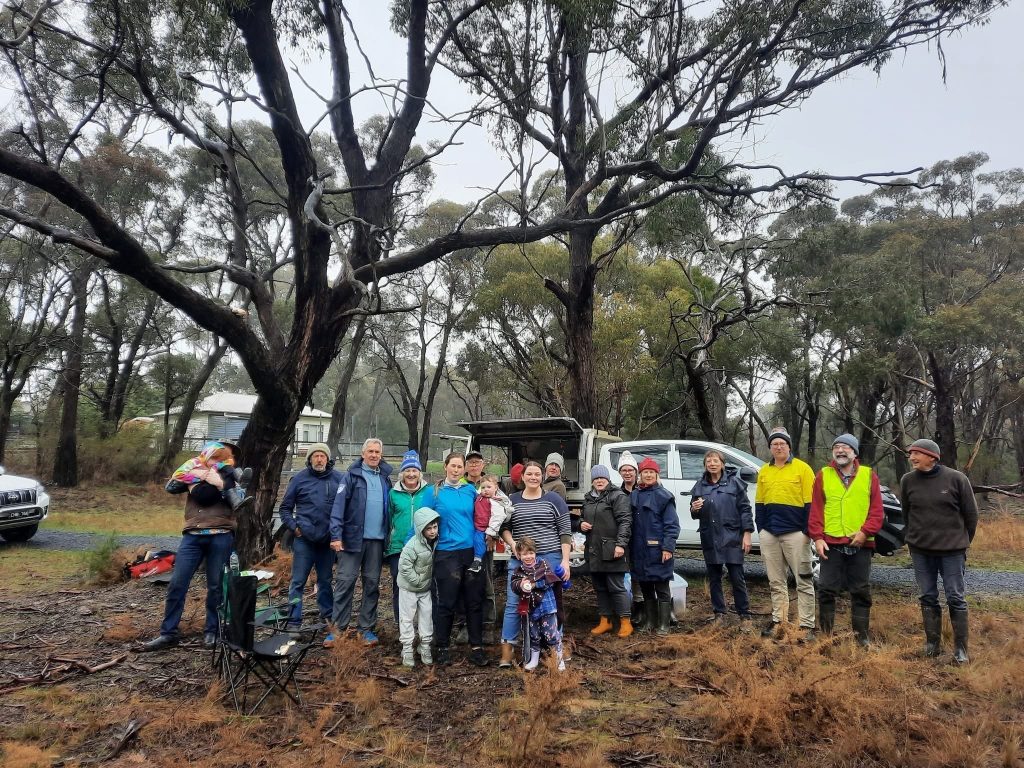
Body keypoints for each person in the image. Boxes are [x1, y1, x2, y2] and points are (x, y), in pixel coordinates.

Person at [141, 441, 244, 652]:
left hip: (221, 533)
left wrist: (221, 483)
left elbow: (241, 500)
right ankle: (168, 633)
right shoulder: (193, 471)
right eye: (217, 455)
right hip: (193, 534)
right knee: (177, 583)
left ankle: (211, 632)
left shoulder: (235, 478)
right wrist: (203, 476)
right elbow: (173, 486)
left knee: (215, 586)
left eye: (226, 456)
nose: (222, 459)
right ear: (208, 454)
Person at [901, 438, 978, 664]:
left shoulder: (956, 479)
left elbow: (971, 515)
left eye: (917, 454)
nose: (912, 457)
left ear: (932, 457)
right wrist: (912, 540)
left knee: (955, 597)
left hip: (952, 551)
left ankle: (961, 650)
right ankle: (932, 645)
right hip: (920, 550)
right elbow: (907, 514)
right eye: (910, 454)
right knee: (927, 595)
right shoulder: (907, 480)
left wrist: (962, 541)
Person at [808, 434, 884, 647]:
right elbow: (816, 510)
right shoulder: (823, 475)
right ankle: (826, 637)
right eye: (837, 448)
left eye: (845, 448)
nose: (840, 451)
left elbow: (877, 512)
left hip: (860, 544)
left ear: (854, 452)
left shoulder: (869, 476)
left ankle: (862, 638)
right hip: (830, 543)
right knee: (826, 590)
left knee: (860, 591)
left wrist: (864, 533)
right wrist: (817, 538)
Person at [499, 461, 571, 668]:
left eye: (537, 474)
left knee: (552, 603)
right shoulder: (512, 501)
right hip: (522, 559)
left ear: (542, 476)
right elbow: (505, 526)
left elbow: (564, 531)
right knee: (515, 603)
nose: (533, 477)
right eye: (529, 474)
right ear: (522, 477)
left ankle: (555, 647)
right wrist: (512, 544)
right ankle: (508, 648)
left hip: (550, 557)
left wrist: (565, 561)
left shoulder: (554, 499)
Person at [327, 438, 394, 647]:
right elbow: (338, 508)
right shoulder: (351, 477)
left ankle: (366, 629)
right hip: (351, 541)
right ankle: (337, 629)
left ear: (381, 455)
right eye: (370, 451)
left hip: (377, 541)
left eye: (377, 452)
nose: (374, 455)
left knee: (372, 584)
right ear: (363, 454)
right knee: (345, 583)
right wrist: (336, 536)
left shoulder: (385, 479)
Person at [424, 452, 488, 666]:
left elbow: (482, 516)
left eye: (460, 467)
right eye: (453, 466)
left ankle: (477, 647)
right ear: (445, 467)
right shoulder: (434, 492)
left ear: (464, 469)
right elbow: (422, 521)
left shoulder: (471, 490)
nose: (456, 470)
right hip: (446, 552)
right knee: (447, 602)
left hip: (470, 552)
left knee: (474, 601)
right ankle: (442, 646)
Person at [755, 427, 817, 641]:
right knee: (776, 581)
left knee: (804, 579)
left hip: (796, 534)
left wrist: (807, 531)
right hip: (770, 533)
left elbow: (811, 503)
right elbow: (760, 503)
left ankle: (807, 625)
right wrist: (761, 528)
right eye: (774, 444)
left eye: (782, 443)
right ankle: (779, 621)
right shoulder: (764, 470)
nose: (778, 447)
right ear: (770, 448)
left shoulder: (803, 469)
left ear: (789, 446)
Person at [279, 442, 342, 626]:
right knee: (297, 582)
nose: (319, 459)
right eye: (316, 456)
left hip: (327, 542)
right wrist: (294, 527)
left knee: (325, 580)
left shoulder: (338, 479)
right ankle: (293, 621)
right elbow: (285, 509)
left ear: (328, 459)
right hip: (304, 540)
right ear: (310, 459)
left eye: (323, 456)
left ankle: (327, 617)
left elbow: (346, 507)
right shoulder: (299, 479)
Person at [689, 449, 754, 629]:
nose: (712, 463)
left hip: (732, 536)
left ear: (722, 463)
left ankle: (745, 615)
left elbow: (745, 510)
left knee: (737, 577)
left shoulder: (735, 484)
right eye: (708, 461)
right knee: (714, 578)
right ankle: (719, 613)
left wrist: (747, 533)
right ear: (705, 465)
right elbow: (695, 514)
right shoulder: (700, 486)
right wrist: (694, 508)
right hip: (710, 537)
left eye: (715, 460)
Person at [629, 457, 680, 637]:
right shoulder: (634, 495)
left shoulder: (664, 496)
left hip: (658, 550)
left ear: (657, 475)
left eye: (651, 472)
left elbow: (672, 525)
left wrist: (668, 548)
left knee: (662, 587)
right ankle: (650, 621)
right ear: (640, 475)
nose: (648, 475)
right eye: (645, 472)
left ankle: (664, 624)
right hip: (639, 550)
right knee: (645, 587)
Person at [580, 465, 632, 637]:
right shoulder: (588, 498)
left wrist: (620, 544)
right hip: (594, 550)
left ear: (608, 479)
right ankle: (605, 621)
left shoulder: (618, 496)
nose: (599, 481)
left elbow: (625, 521)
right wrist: (580, 524)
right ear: (592, 481)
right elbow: (582, 517)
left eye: (602, 478)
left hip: (612, 549)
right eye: (596, 479)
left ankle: (625, 622)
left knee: (616, 587)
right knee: (600, 587)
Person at [385, 450, 431, 625]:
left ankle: (423, 625)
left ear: (420, 472)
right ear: (402, 473)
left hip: (424, 547)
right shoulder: (393, 494)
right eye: (407, 470)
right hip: (399, 547)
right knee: (400, 586)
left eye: (414, 470)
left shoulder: (429, 492)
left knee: (424, 585)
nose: (411, 474)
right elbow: (388, 519)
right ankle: (402, 624)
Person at [510, 536, 566, 671]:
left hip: (547, 606)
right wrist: (521, 585)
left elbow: (550, 580)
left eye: (531, 553)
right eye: (524, 554)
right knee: (533, 634)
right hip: (530, 608)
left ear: (535, 552)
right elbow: (514, 585)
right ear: (519, 555)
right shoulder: (519, 571)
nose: (528, 556)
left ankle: (558, 658)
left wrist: (534, 584)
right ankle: (533, 658)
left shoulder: (544, 564)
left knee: (551, 634)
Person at [397, 507, 441, 667]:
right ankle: (407, 648)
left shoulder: (436, 542)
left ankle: (425, 646)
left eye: (435, 527)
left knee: (426, 617)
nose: (432, 531)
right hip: (409, 588)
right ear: (420, 528)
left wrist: (425, 583)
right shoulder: (412, 545)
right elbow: (404, 566)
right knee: (407, 618)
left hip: (425, 589)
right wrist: (417, 581)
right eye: (428, 528)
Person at [165, 441, 252, 512]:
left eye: (226, 457)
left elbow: (241, 495)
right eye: (216, 457)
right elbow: (172, 485)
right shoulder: (195, 463)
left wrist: (221, 485)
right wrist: (196, 475)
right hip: (197, 522)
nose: (219, 461)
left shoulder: (225, 470)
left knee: (228, 473)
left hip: (223, 525)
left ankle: (240, 479)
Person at [469, 475, 512, 574]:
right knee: (477, 541)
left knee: (481, 542)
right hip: (478, 526)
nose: (486, 490)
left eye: (489, 487)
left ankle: (477, 560)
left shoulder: (495, 501)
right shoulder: (479, 497)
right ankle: (477, 561)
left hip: (488, 528)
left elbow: (498, 517)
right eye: (483, 487)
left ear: (496, 487)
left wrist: (491, 532)